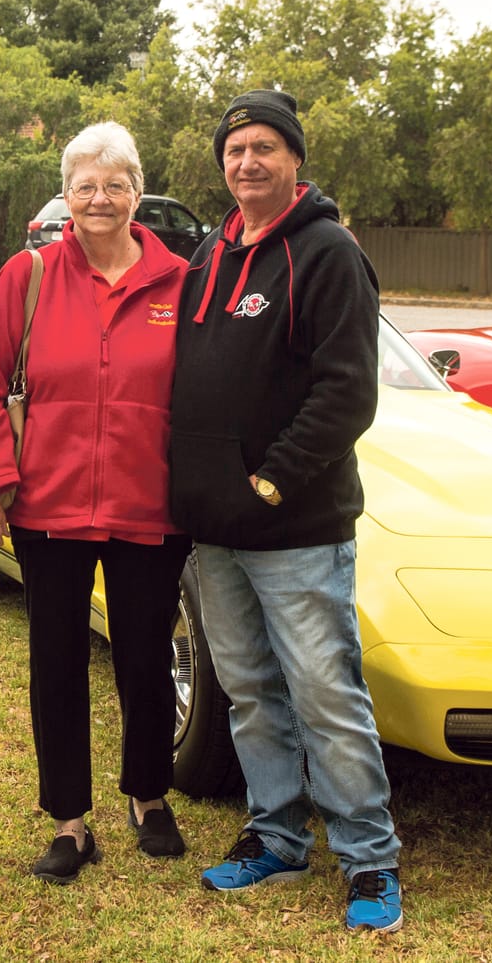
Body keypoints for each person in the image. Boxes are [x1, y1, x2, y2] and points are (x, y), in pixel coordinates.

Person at [167, 89, 405, 933]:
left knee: (325, 693)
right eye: (235, 150)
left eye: (265, 146)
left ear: (295, 157)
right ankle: (276, 835)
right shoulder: (211, 251)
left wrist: (271, 481)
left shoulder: (328, 252)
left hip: (295, 526)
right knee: (249, 691)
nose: (247, 162)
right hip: (216, 530)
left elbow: (348, 393)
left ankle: (369, 856)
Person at [0, 122, 191, 883]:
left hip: (151, 507)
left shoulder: (182, 283)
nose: (99, 199)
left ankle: (149, 795)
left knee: (146, 657)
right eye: (85, 186)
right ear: (66, 195)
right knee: (56, 663)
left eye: (115, 185)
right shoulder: (29, 277)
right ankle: (69, 822)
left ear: (138, 194)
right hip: (48, 506)